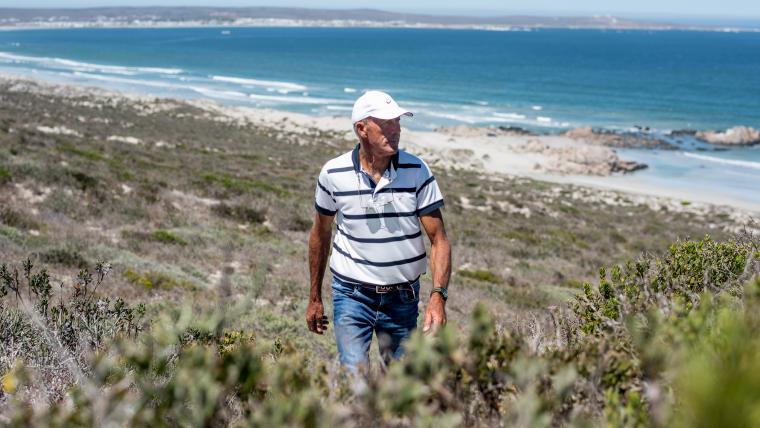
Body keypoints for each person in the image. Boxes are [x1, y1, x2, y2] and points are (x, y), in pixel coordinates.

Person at [306, 90, 452, 372]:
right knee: (355, 382)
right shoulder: (333, 174)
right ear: (361, 128)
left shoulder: (417, 170)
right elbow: (320, 235)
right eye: (386, 124)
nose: (396, 130)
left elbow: (439, 240)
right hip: (351, 295)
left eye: (397, 122)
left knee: (398, 389)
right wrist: (314, 298)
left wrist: (438, 296)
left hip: (402, 300)